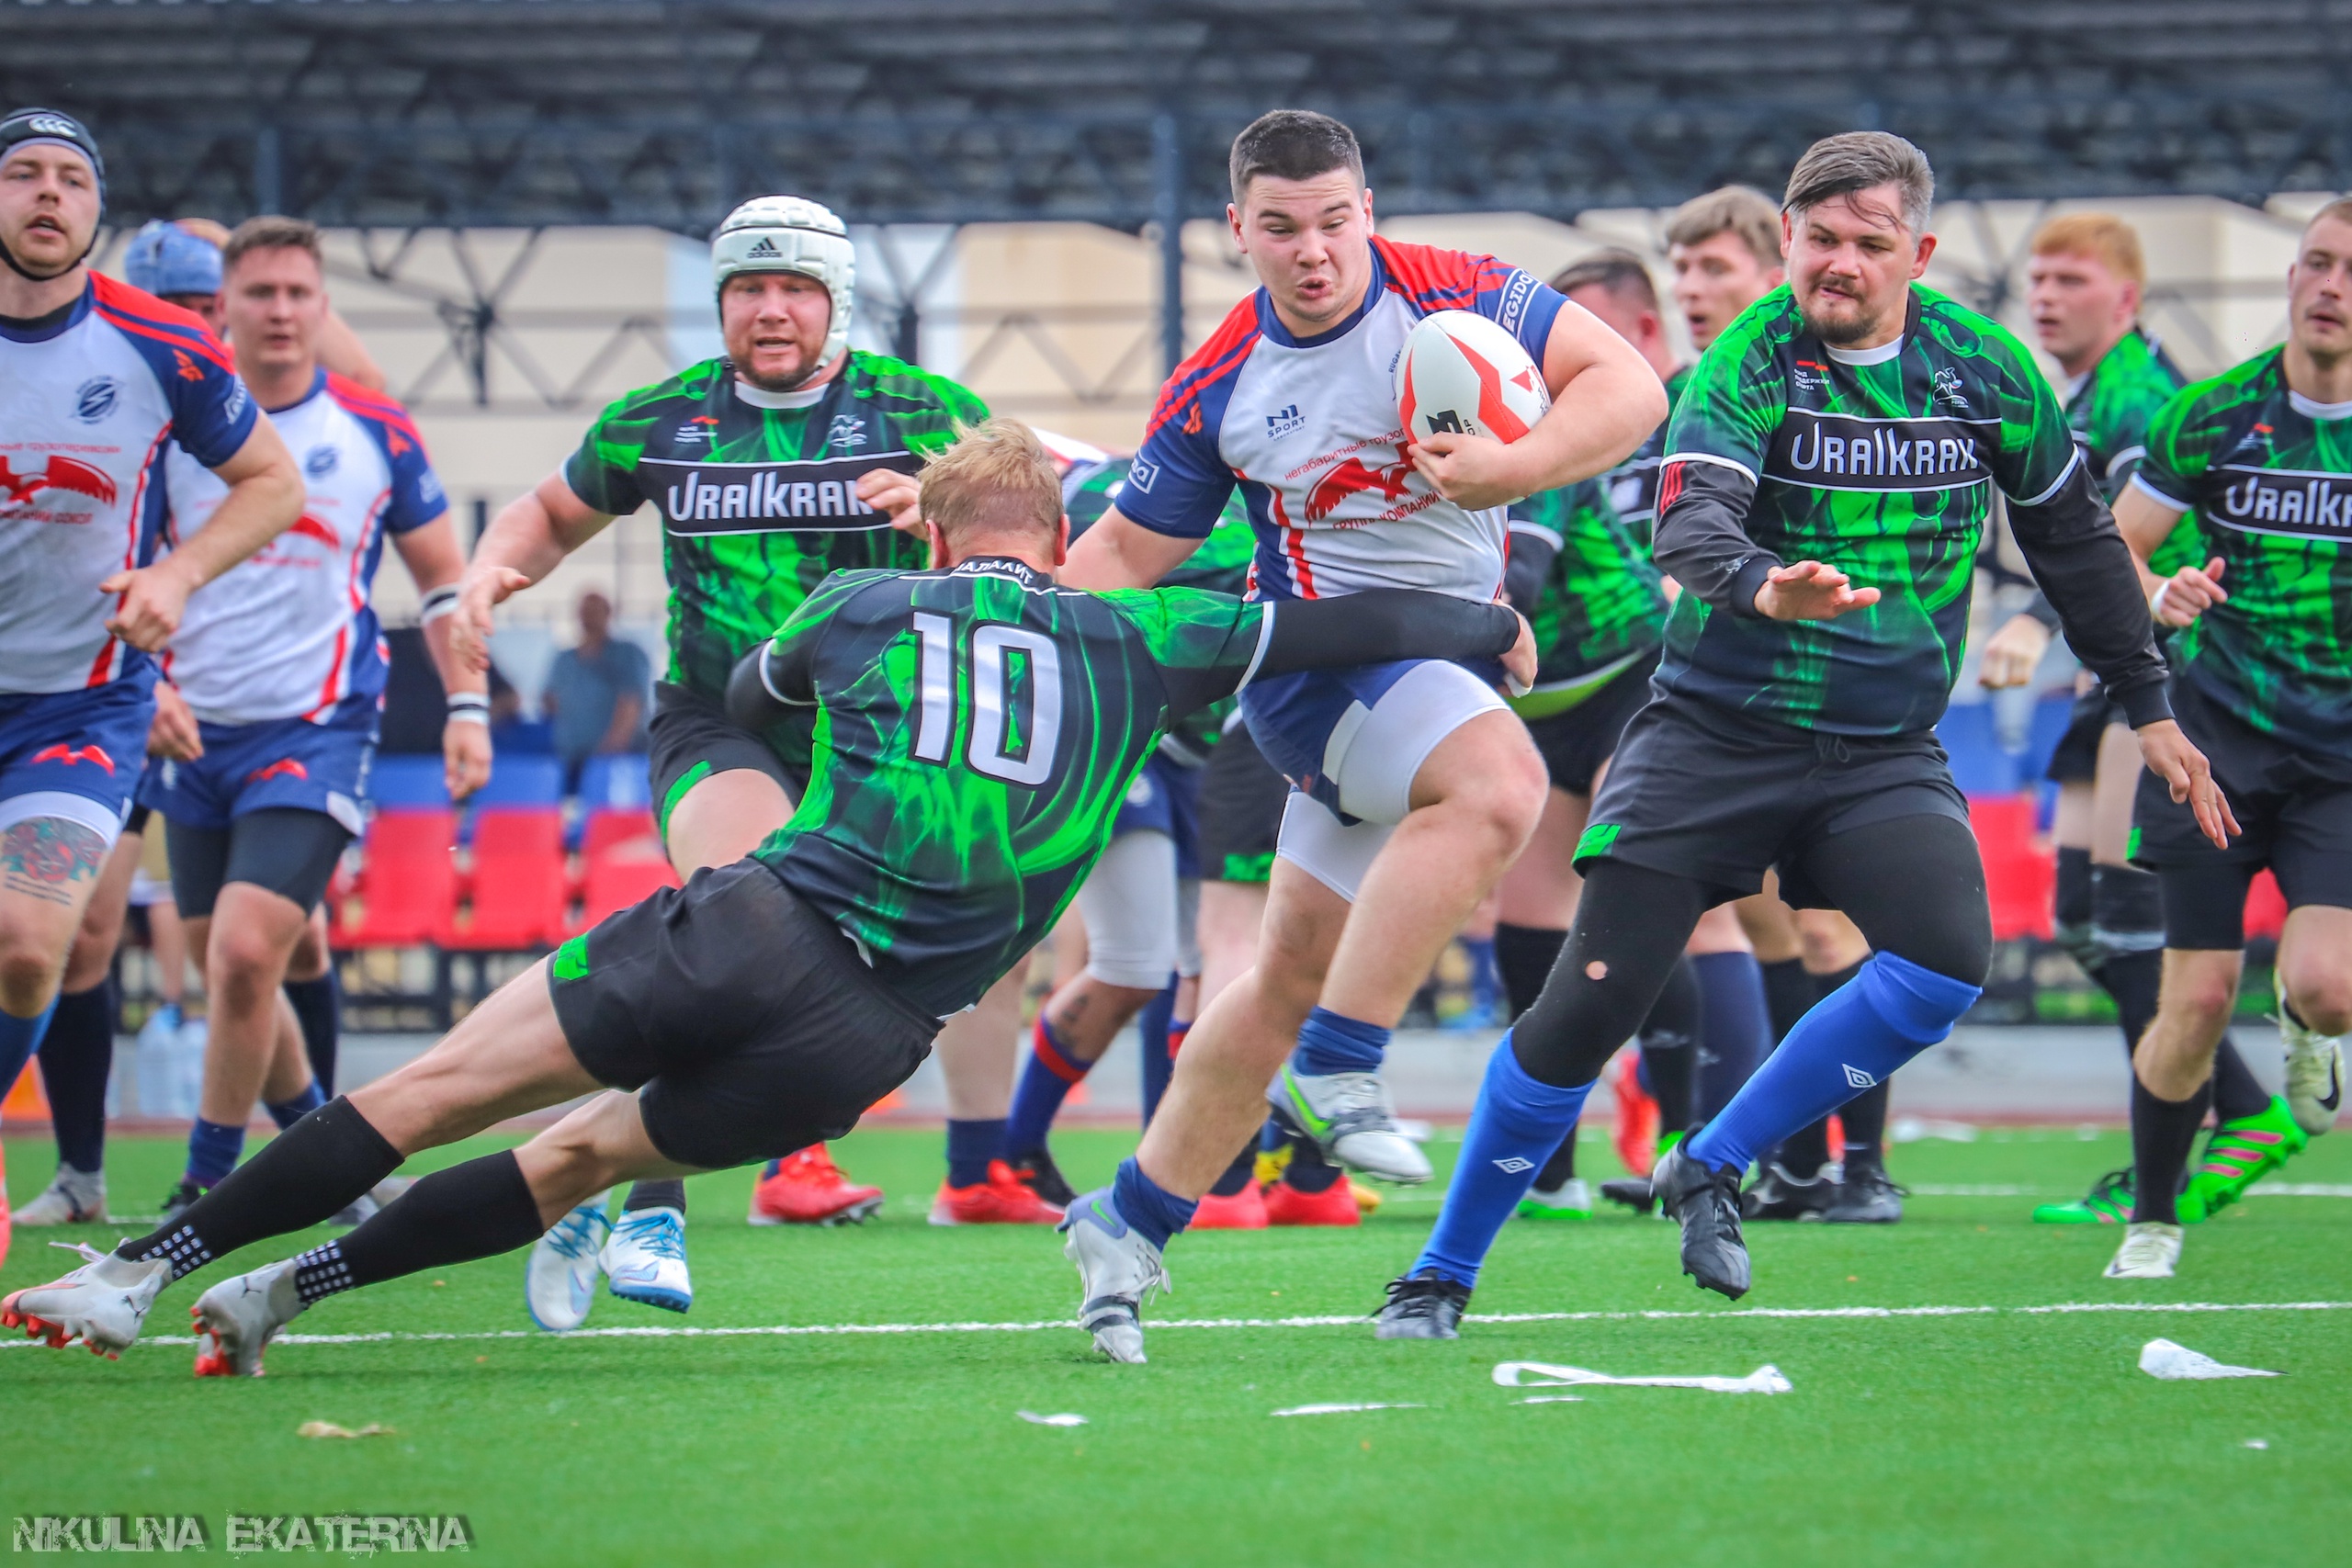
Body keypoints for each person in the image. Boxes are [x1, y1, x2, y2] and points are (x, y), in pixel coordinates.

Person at [0, 417, 1535, 1374]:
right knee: (575, 1160)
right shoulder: (1148, 635)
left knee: (433, 1092)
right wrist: (1487, 627)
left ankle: (141, 1271)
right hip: (867, 1041)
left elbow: (752, 697)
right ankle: (283, 1294)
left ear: (933, 529)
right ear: (1064, 543)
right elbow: (1354, 622)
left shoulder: (862, 599)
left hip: (757, 923)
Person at [1372, 131, 2228, 1337]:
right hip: (1712, 734)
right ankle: (1439, 1272)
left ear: (1919, 253)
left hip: (1881, 750)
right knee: (1582, 1012)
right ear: (1788, 237)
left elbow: (2079, 547)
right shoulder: (1747, 358)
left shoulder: (1986, 371)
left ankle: (1711, 1158)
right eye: (1820, 238)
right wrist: (1763, 586)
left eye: (1870, 243)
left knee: (1943, 965)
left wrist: (2149, 703)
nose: (1841, 263)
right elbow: (1689, 528)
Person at [1052, 108, 1662, 1363]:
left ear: (1366, 210)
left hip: (1433, 674)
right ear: (1239, 229)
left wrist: (1514, 470)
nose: (1314, 250)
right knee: (1500, 787)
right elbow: (1122, 551)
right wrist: (1006, 630)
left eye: (1335, 220)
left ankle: (1128, 1217)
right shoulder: (1222, 377)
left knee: (1281, 973)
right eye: (1281, 228)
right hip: (1321, 678)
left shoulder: (1460, 290)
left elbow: (1631, 388)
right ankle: (1343, 1060)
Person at [451, 195, 1014, 1328]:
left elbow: (1028, 547)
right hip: (722, 721)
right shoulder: (661, 420)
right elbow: (547, 514)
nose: (770, 310)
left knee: (902, 961)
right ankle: (664, 1195)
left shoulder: (925, 411)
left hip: (877, 739)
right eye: (748, 289)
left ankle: (620, 1165)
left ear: (834, 301)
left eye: (794, 289)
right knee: (743, 924)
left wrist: (935, 519)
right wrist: (484, 574)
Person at [0, 108, 303, 1266]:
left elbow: (271, 481)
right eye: (22, 173)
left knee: (33, 947)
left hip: (80, 704)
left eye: (71, 178)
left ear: (97, 208)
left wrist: (176, 575)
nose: (47, 193)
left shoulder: (159, 342)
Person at [141, 217, 483, 1225]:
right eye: (260, 293)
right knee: (239, 966)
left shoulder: (373, 429)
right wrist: (145, 683)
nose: (281, 311)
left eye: (299, 293)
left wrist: (467, 706)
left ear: (323, 308)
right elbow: (108, 563)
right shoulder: (169, 424)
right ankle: (331, 1162)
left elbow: (444, 583)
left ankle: (207, 1183)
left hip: (318, 729)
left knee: (245, 954)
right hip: (192, 733)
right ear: (224, 308)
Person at [1975, 215, 2305, 1228]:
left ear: (2125, 300)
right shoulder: (2084, 393)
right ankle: (2233, 1111)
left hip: (2174, 674)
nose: (2043, 297)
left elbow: (2108, 545)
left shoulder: (2138, 394)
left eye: (2070, 280)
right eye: (2037, 278)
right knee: (2088, 922)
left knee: (2125, 921)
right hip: (2119, 671)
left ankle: (2210, 1129)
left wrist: (2035, 621)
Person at [2098, 200, 2352, 1280]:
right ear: (2290, 278)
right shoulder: (2209, 416)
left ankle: (2306, 1030)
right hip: (2212, 746)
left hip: (2339, 760)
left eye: (2350, 272)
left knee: (2330, 987)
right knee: (2194, 1002)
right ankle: (2153, 1219)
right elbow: (2114, 552)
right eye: (2316, 263)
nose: (2329, 287)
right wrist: (2160, 592)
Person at [1498, 248, 1769, 1224]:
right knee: (1526, 919)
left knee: (1677, 904)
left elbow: (1514, 588)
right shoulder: (1508, 416)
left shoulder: (1567, 432)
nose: (1547, 355)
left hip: (1633, 679)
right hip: (1542, 706)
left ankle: (1713, 1151)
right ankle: (1548, 1166)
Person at [543, 590, 650, 790]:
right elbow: (550, 699)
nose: (589, 617)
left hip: (618, 762)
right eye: (584, 611)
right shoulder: (564, 660)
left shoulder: (626, 654)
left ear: (608, 613)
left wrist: (611, 748)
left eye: (594, 611)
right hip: (570, 759)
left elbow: (631, 703)